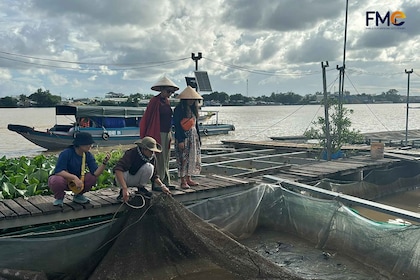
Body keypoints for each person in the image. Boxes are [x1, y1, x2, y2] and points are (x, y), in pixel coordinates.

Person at [48, 132, 110, 207]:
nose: (90, 146)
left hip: (78, 184)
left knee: (91, 178)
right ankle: (59, 199)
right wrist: (74, 178)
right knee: (56, 180)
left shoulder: (88, 155)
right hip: (65, 180)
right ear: (80, 144)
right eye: (88, 144)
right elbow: (58, 171)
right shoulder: (66, 153)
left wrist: (104, 163)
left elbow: (95, 173)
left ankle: (78, 196)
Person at [140, 75, 179, 191]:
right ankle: (158, 183)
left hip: (167, 132)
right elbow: (147, 118)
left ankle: (165, 181)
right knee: (159, 158)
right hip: (157, 132)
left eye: (171, 92)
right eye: (168, 91)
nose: (169, 94)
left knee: (166, 158)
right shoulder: (154, 101)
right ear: (162, 89)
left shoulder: (166, 101)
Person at [114, 136, 171, 202]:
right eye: (151, 151)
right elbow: (118, 169)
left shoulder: (152, 157)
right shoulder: (131, 153)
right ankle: (122, 192)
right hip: (123, 178)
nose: (152, 153)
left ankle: (141, 189)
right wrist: (124, 188)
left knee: (149, 167)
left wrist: (162, 186)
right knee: (121, 172)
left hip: (134, 178)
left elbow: (154, 175)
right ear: (144, 149)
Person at [173, 86, 202, 189]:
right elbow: (177, 125)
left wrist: (199, 138)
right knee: (182, 158)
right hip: (184, 136)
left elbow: (196, 125)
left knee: (192, 157)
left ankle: (189, 178)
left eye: (193, 99)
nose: (191, 101)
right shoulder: (179, 109)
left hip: (193, 137)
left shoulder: (193, 109)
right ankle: (183, 181)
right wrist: (180, 140)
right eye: (189, 99)